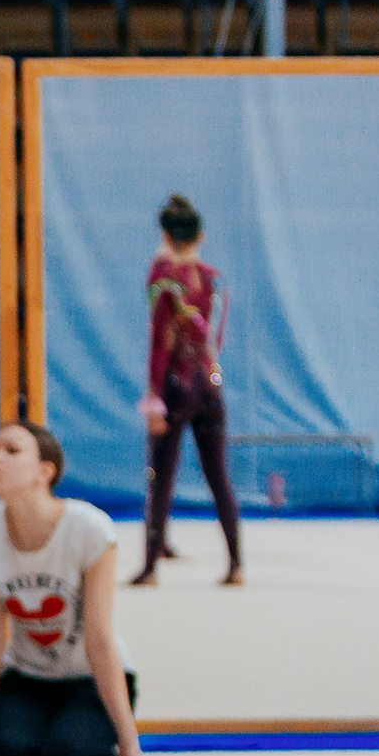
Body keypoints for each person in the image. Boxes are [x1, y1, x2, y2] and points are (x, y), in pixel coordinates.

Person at [0, 421, 145, 756]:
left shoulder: (90, 529)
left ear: (45, 471)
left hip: (88, 679)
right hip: (27, 678)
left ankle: (76, 736)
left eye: (11, 451)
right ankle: (32, 735)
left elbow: (100, 638)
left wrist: (129, 745)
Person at [133, 194, 241, 587]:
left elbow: (161, 342)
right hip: (209, 382)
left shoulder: (162, 277)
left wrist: (154, 401)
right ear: (201, 235)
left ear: (163, 233)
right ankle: (236, 564)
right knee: (218, 476)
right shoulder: (213, 277)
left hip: (177, 384)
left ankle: (149, 566)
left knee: (161, 475)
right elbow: (212, 334)